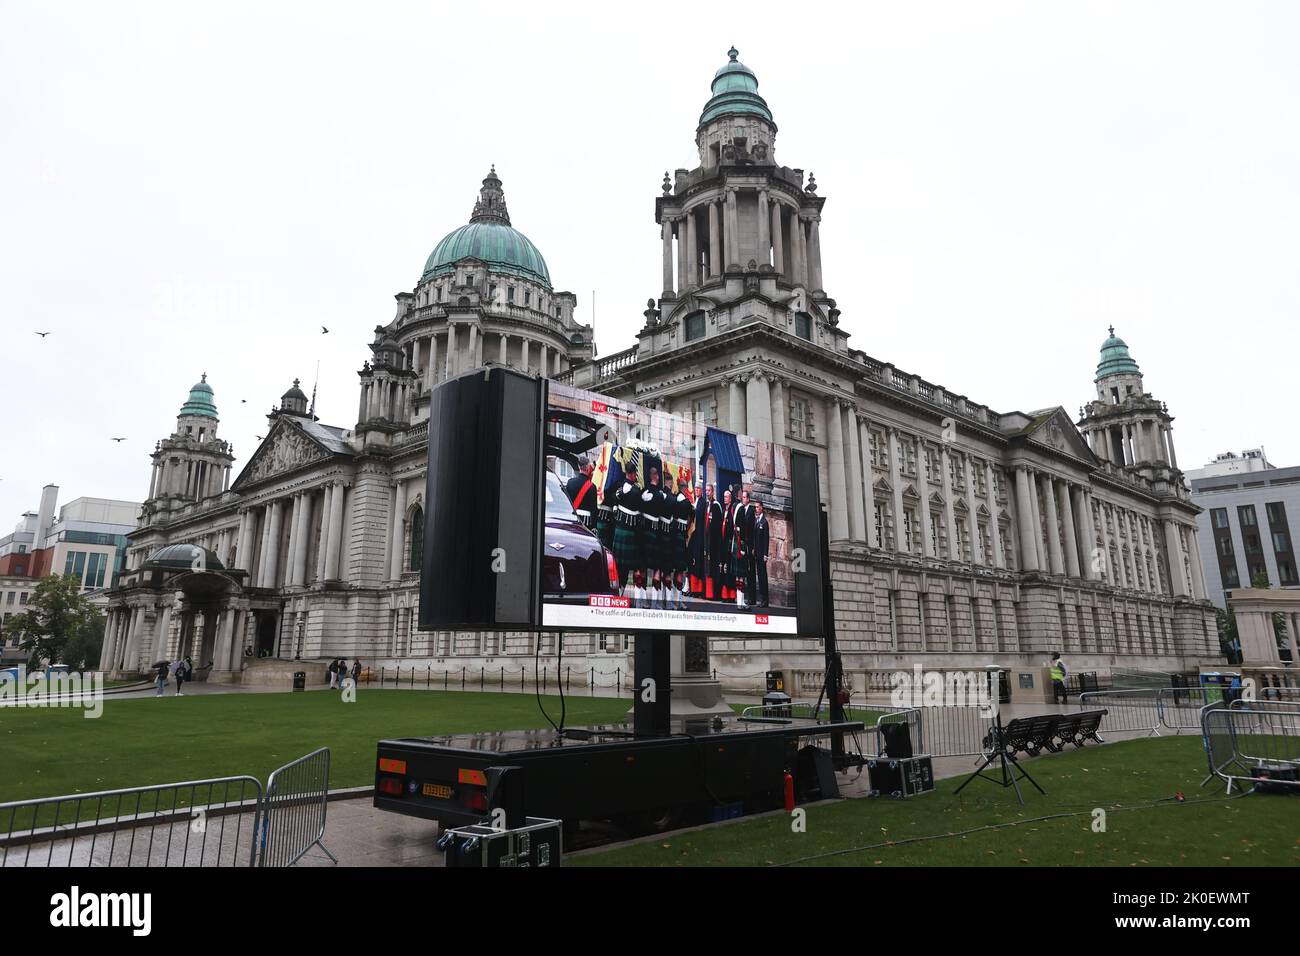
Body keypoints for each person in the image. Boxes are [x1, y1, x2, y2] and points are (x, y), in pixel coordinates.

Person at [612, 462, 643, 596]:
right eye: (635, 474)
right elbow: (640, 509)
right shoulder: (636, 492)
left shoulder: (619, 488)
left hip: (619, 530)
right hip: (631, 533)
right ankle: (622, 591)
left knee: (619, 566)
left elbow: (615, 498)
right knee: (632, 566)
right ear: (631, 474)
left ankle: (618, 590)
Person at [565, 456, 598, 531]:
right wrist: (594, 526)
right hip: (586, 521)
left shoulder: (570, 482)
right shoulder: (592, 487)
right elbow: (594, 509)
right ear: (588, 467)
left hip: (572, 518)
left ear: (579, 466)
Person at [752, 501, 770, 607]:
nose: (756, 509)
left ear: (762, 508)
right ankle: (761, 598)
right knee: (759, 575)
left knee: (763, 576)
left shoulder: (764, 522)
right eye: (755, 507)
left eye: (758, 507)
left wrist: (765, 554)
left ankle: (765, 599)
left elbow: (766, 539)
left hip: (762, 553)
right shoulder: (756, 521)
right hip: (756, 553)